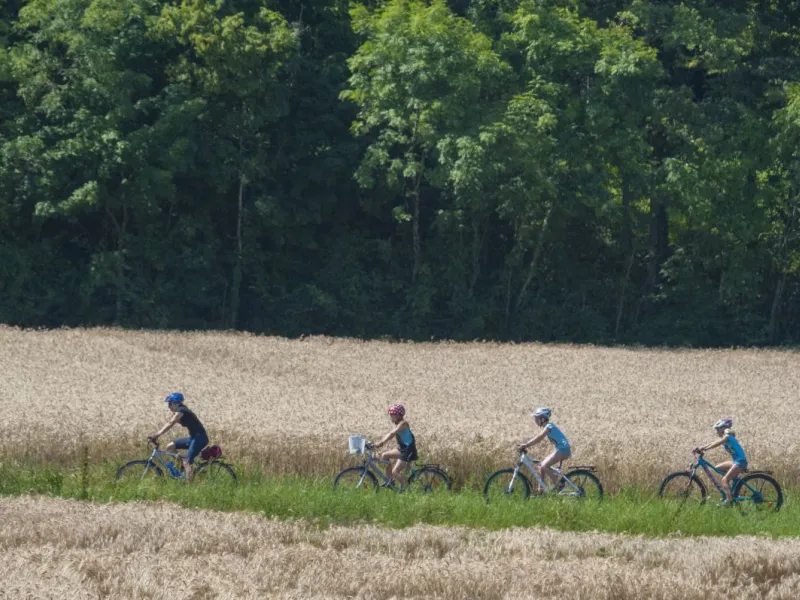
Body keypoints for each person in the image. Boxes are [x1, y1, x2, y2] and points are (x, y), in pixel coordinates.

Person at [148, 392, 209, 483]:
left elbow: (170, 423)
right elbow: (169, 423)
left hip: (200, 439)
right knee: (170, 447)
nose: (168, 406)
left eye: (170, 404)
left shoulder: (182, 411)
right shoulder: (180, 412)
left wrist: (156, 435)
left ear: (176, 403)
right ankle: (184, 469)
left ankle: (189, 486)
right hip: (193, 438)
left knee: (186, 462)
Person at [694, 417, 748, 504]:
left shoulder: (727, 437)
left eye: (717, 429)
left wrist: (706, 449)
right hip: (736, 461)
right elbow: (714, 442)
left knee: (724, 480)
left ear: (723, 429)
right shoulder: (726, 438)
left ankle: (729, 500)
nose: (717, 432)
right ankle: (734, 485)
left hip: (740, 462)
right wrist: (702, 447)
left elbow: (717, 443)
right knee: (717, 468)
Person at [519, 407, 571, 492]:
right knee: (541, 466)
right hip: (562, 449)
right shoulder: (548, 426)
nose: (535, 420)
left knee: (544, 465)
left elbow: (539, 438)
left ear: (542, 419)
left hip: (563, 449)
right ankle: (541, 489)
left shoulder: (549, 426)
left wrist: (526, 445)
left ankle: (559, 484)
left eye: (536, 418)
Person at [374, 403, 418, 489]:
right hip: (402, 449)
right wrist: (379, 442)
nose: (390, 417)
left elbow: (392, 433)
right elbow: (390, 434)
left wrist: (381, 443)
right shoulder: (398, 424)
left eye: (392, 415)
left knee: (395, 471)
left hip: (408, 451)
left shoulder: (403, 423)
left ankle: (407, 490)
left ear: (398, 415)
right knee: (385, 455)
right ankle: (390, 481)